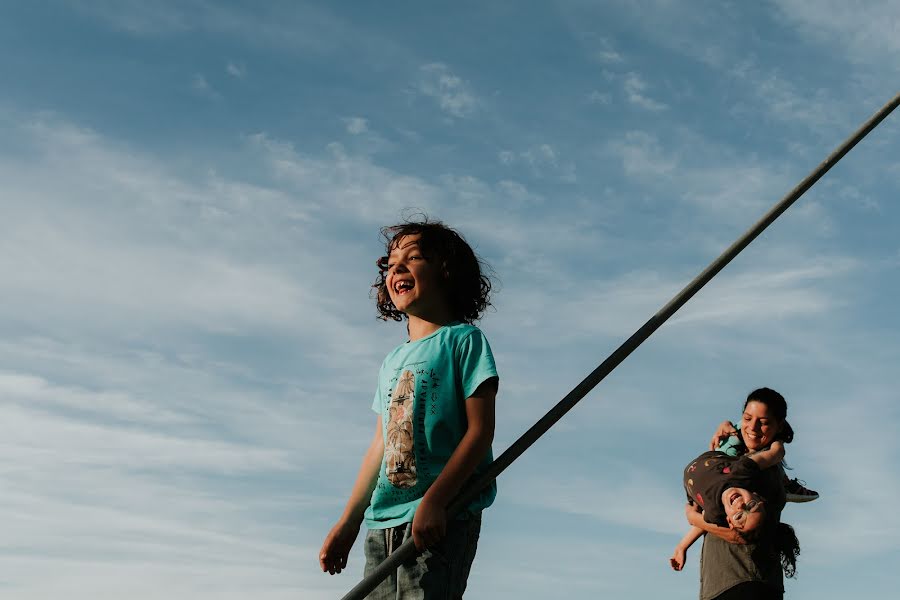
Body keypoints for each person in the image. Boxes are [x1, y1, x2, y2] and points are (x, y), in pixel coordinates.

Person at [318, 219, 499, 600]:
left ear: (446, 272)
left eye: (413, 257)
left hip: (440, 516)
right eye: (391, 261)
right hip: (382, 521)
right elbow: (380, 445)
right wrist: (349, 522)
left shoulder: (464, 342)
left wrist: (436, 501)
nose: (397, 267)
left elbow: (479, 432)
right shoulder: (392, 362)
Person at [685, 388, 802, 600]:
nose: (753, 427)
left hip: (745, 582)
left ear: (778, 426)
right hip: (725, 582)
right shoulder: (739, 465)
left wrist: (697, 520)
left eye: (763, 422)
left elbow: (738, 535)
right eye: (748, 418)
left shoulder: (759, 471)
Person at [669, 440, 785, 572]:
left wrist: (682, 547)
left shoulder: (715, 513)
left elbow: (699, 525)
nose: (741, 506)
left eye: (739, 516)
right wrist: (778, 442)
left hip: (690, 489)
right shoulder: (742, 472)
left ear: (729, 521)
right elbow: (774, 454)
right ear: (756, 496)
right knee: (734, 437)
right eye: (750, 506)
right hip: (716, 455)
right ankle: (785, 483)